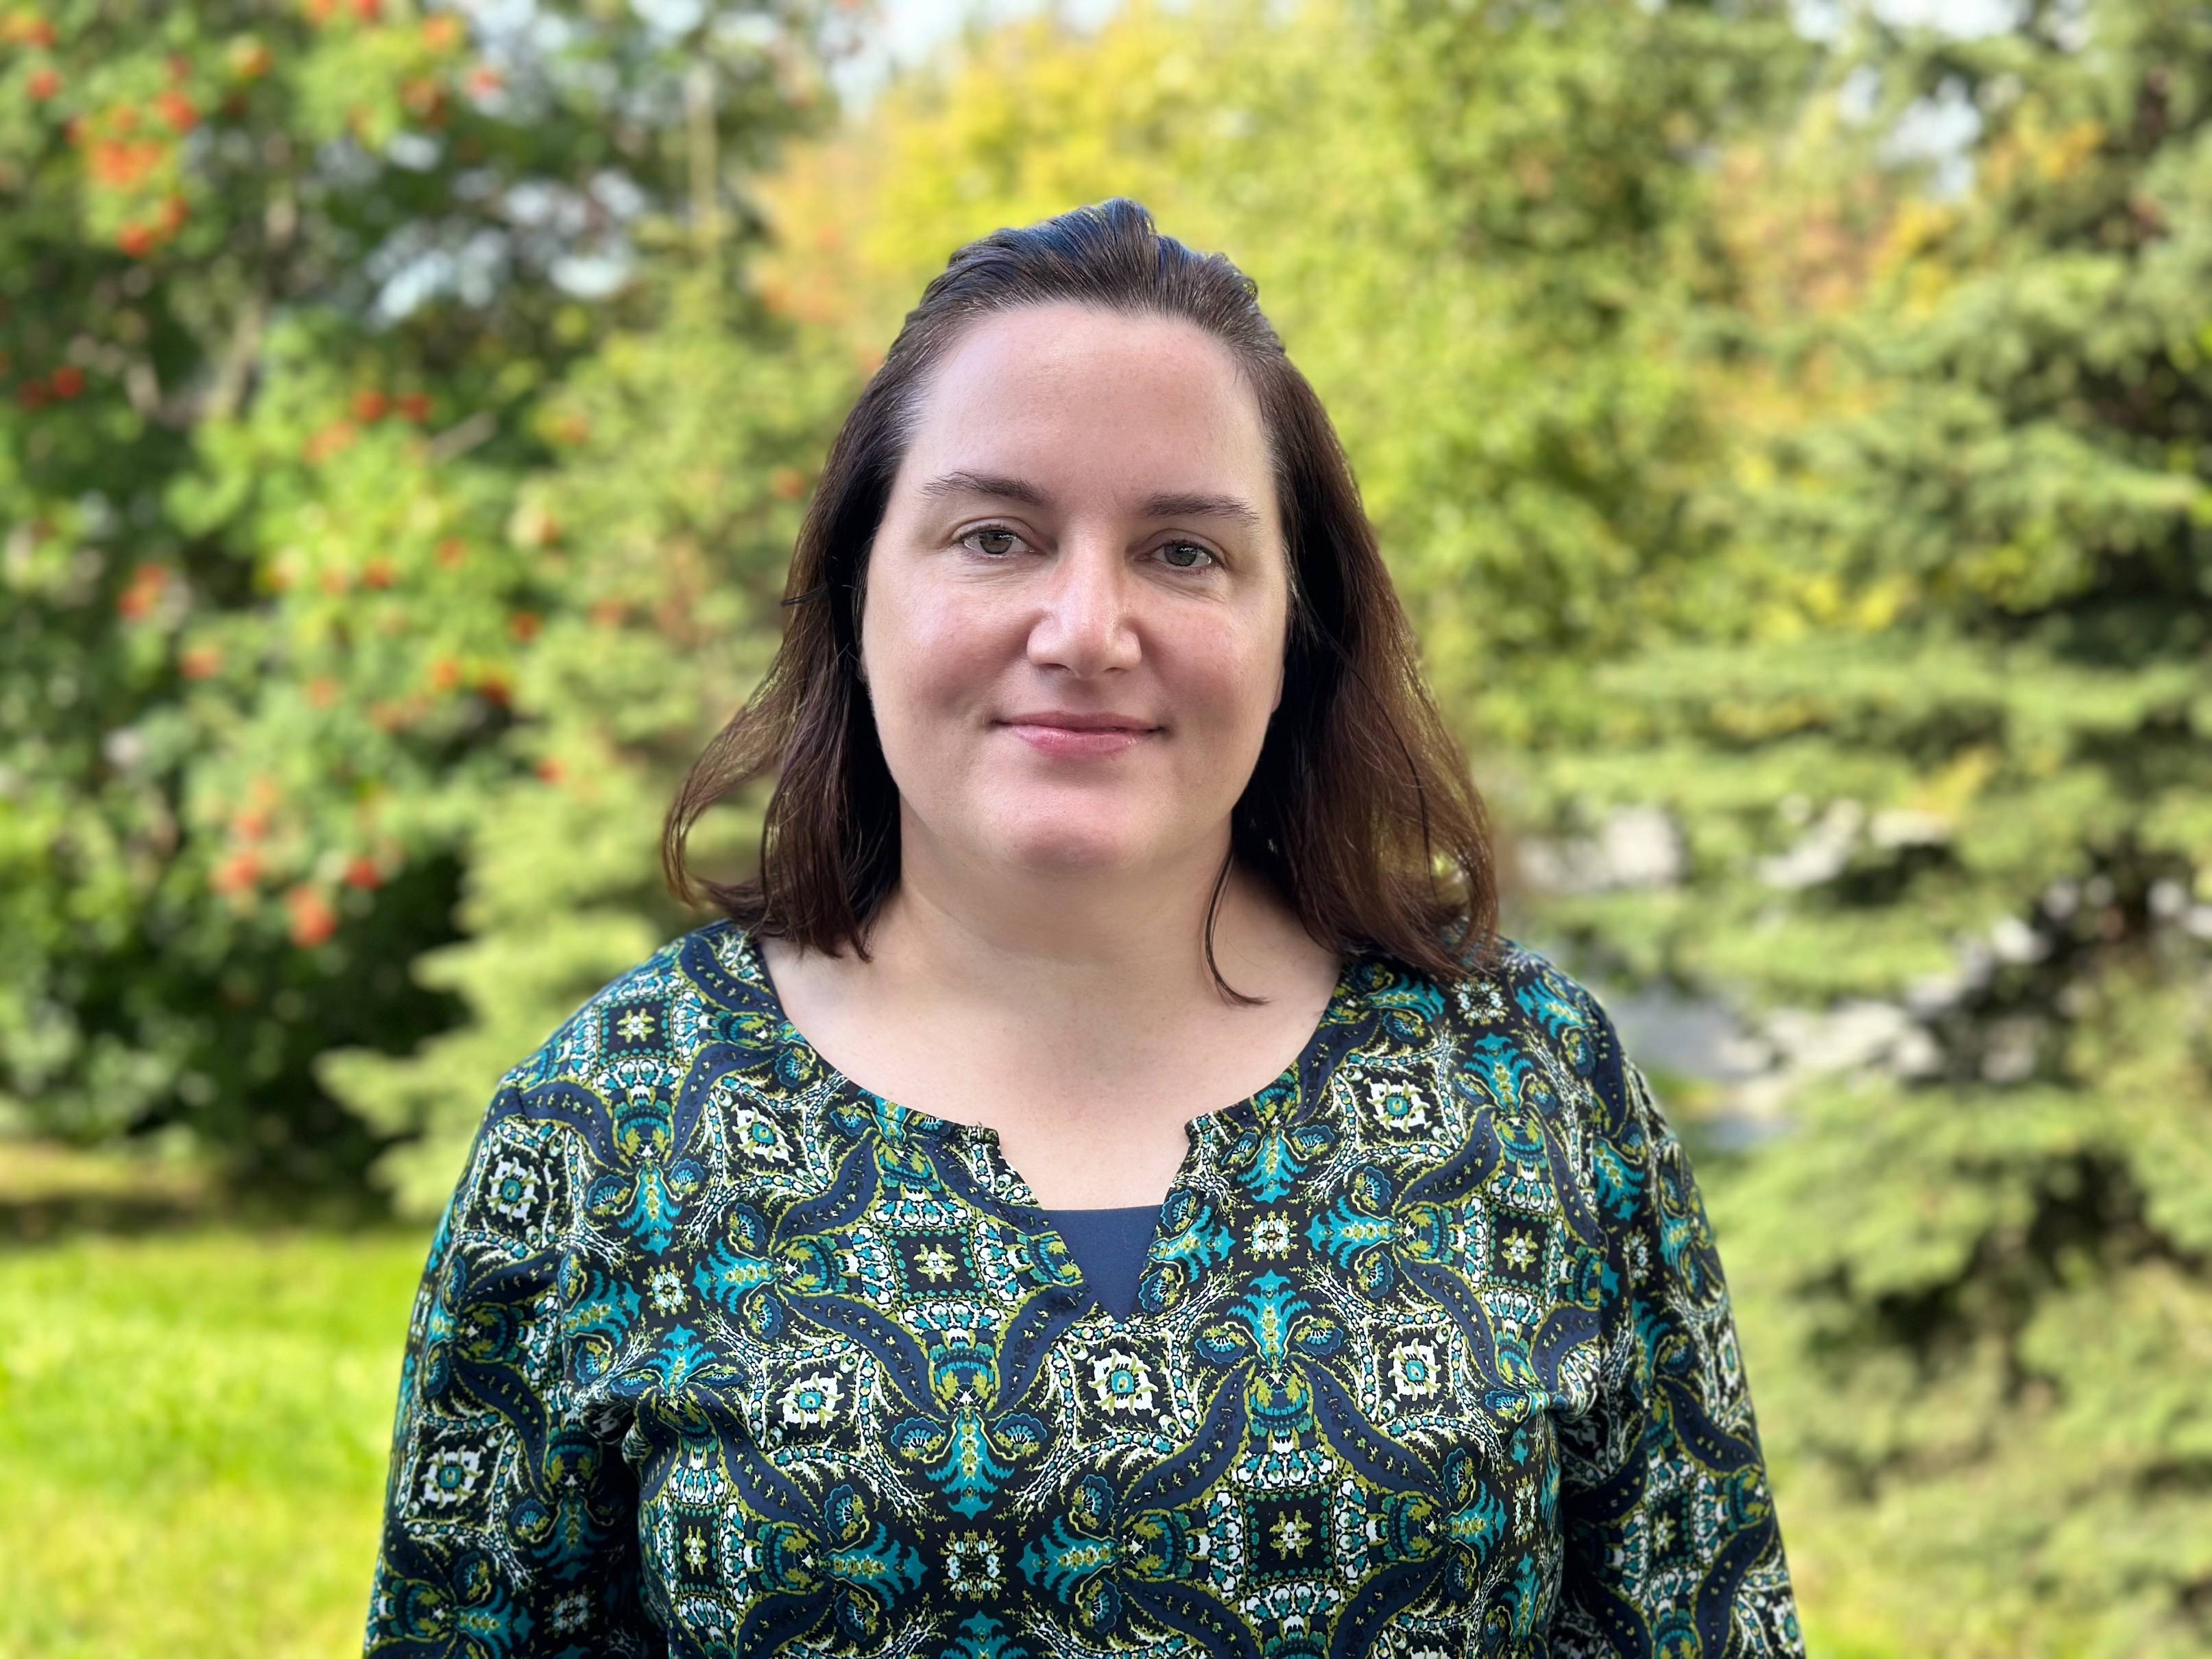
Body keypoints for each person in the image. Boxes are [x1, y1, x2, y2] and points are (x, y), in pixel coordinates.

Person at [364, 198, 1804, 1658]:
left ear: (1292, 624)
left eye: (1183, 552)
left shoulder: (1532, 1083)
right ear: (856, 588)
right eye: (995, 534)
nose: (1084, 627)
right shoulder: (610, 1119)